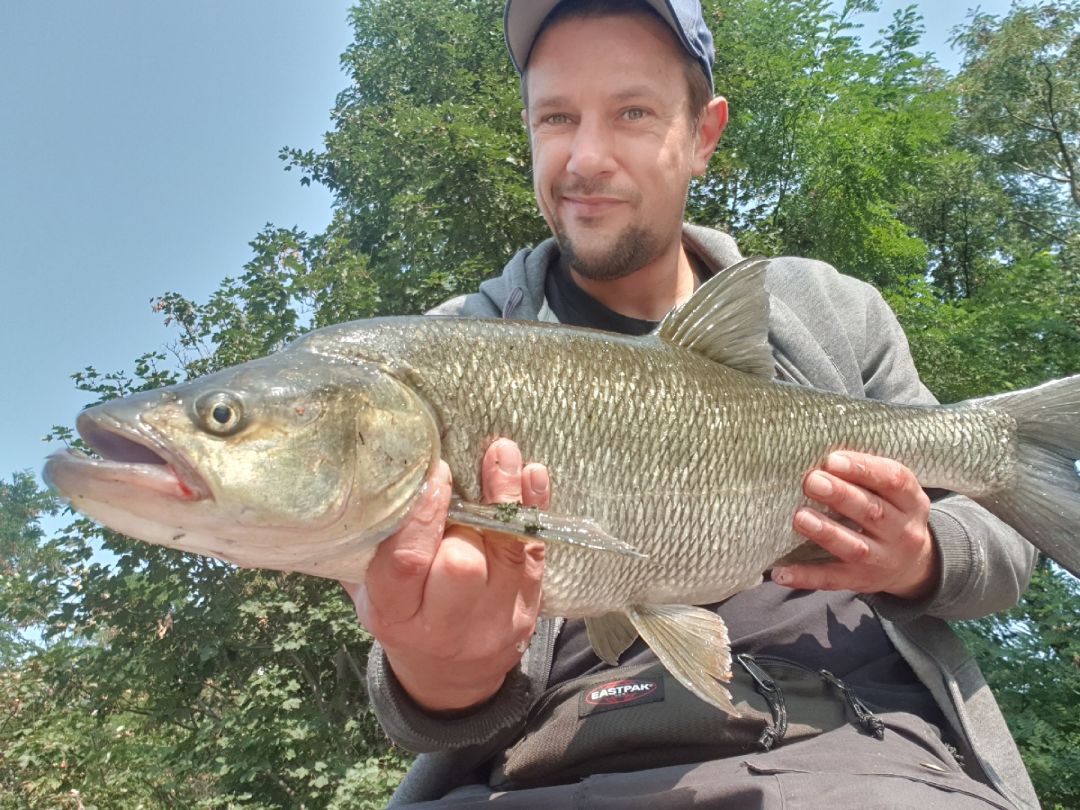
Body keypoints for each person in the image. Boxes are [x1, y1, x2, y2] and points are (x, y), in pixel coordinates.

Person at [341, 1, 1041, 807]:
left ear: (705, 134)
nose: (586, 156)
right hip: (547, 769)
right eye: (557, 117)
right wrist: (438, 669)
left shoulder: (827, 310)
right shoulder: (445, 352)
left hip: (863, 751)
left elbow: (1003, 542)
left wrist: (918, 558)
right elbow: (424, 706)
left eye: (632, 112)